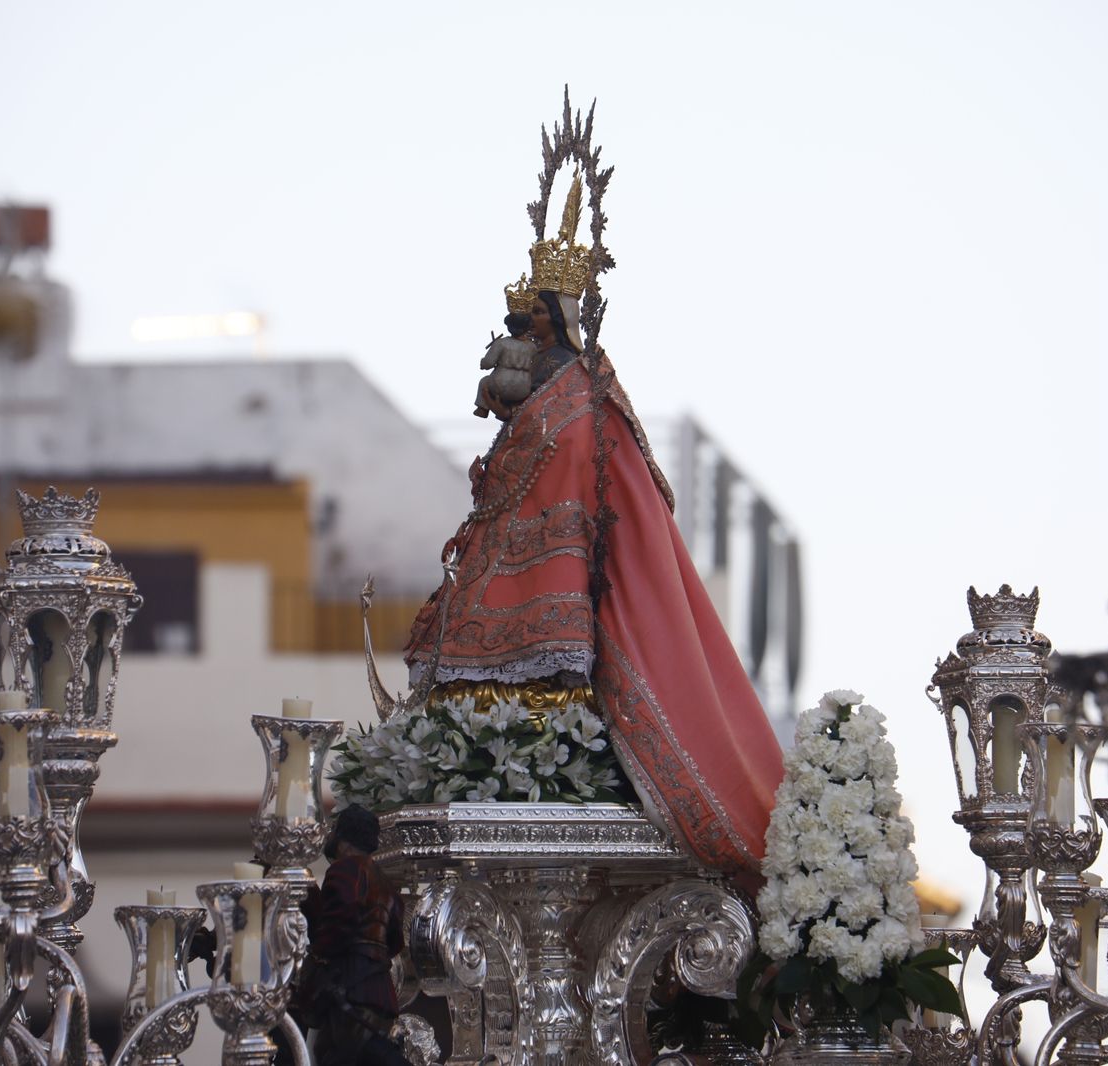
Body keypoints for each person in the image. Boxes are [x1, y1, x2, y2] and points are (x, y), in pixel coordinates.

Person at [404, 269, 784, 882]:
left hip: (561, 554)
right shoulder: (539, 379)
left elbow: (579, 462)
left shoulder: (582, 391)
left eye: (535, 312)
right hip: (507, 558)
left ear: (555, 315)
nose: (524, 323)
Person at [298, 805, 405, 1066]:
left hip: (350, 985)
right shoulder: (386, 881)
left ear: (343, 839)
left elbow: (340, 921)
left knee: (333, 1054)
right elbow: (395, 941)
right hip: (380, 989)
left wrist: (317, 956)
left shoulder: (345, 870)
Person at [473, 311, 536, 419]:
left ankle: (482, 409)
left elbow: (488, 363)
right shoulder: (532, 347)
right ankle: (512, 406)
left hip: (500, 385)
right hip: (523, 389)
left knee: (484, 381)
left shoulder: (501, 343)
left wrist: (483, 363)